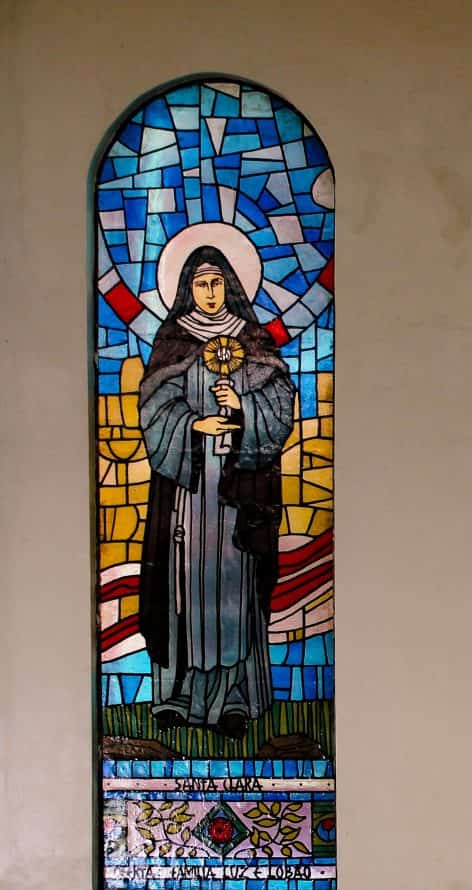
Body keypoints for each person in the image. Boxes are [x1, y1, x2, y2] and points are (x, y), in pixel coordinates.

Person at [137, 245, 295, 737]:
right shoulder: (174, 341)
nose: (209, 293)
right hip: (188, 489)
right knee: (183, 586)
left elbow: (280, 406)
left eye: (216, 283)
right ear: (189, 288)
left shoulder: (253, 340)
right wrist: (191, 423)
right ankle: (179, 694)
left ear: (230, 284)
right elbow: (153, 409)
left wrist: (242, 405)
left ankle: (233, 699)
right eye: (200, 284)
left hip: (235, 494)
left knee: (232, 586)